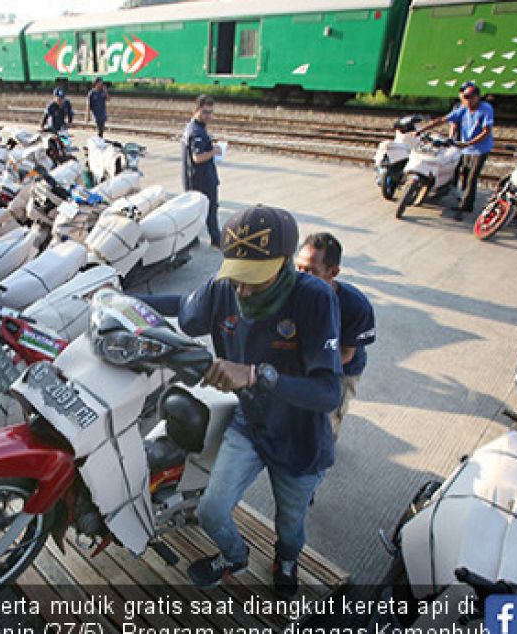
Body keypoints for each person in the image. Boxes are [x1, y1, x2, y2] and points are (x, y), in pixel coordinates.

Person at [139, 205, 342, 598]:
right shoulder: (224, 288)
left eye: (255, 280)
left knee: (290, 524)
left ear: (285, 265)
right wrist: (122, 297)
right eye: (238, 278)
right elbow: (184, 309)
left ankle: (286, 561)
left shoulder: (314, 298)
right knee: (212, 510)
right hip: (251, 424)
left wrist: (255, 374)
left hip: (300, 439)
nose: (243, 291)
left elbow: (328, 393)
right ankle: (235, 555)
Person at [295, 233, 375, 440]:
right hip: (303, 359)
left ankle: (324, 451)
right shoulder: (292, 293)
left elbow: (346, 354)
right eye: (299, 267)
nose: (301, 276)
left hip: (340, 369)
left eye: (311, 271)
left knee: (326, 421)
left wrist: (305, 370)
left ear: (333, 272)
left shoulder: (356, 306)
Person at [420, 81, 494, 220]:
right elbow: (444, 119)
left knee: (472, 176)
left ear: (478, 97)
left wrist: (467, 143)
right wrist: (422, 129)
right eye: (465, 97)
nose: (468, 100)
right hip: (466, 148)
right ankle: (464, 200)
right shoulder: (463, 108)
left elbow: (486, 132)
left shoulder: (486, 109)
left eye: (471, 97)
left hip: (480, 148)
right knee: (464, 173)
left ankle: (466, 206)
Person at [183, 94, 222, 247]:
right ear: (196, 110)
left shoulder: (194, 127)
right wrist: (214, 152)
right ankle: (216, 240)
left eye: (210, 112)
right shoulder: (196, 131)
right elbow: (197, 157)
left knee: (196, 210)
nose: (208, 116)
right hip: (201, 178)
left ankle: (192, 240)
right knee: (210, 209)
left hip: (196, 177)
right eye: (205, 112)